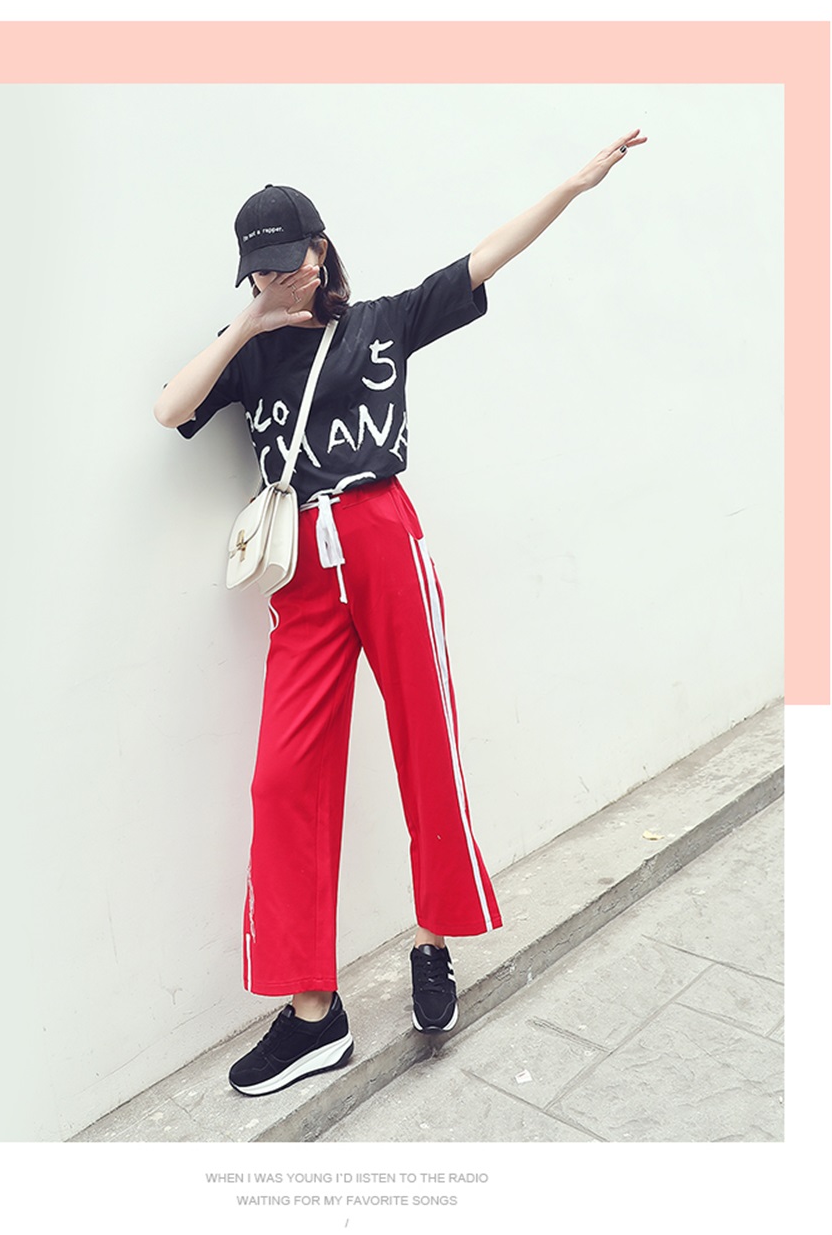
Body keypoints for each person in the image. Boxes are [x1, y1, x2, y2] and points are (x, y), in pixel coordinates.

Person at [154, 130, 646, 1097]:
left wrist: (573, 185)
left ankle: (433, 944)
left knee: (425, 742)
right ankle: (314, 1015)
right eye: (260, 269)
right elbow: (171, 410)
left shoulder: (382, 324)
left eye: (288, 260)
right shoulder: (248, 352)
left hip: (383, 537)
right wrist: (249, 324)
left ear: (321, 247)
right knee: (282, 780)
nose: (278, 278)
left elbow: (483, 257)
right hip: (302, 568)